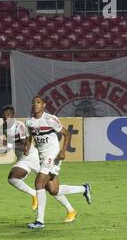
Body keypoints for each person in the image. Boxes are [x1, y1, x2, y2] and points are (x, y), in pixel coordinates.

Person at [2, 105, 91, 223]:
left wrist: (7, 145)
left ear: (14, 115)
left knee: (52, 188)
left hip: (33, 157)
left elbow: (24, 146)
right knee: (12, 178)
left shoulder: (20, 126)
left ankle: (70, 207)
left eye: (8, 115)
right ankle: (35, 195)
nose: (6, 118)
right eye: (3, 116)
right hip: (22, 160)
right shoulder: (4, 127)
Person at [24, 96, 92, 229]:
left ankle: (40, 221)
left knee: (39, 183)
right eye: (34, 102)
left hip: (53, 155)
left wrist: (63, 151)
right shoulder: (29, 121)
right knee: (53, 190)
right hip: (42, 157)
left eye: (38, 102)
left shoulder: (50, 119)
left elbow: (67, 134)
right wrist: (27, 146)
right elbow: (29, 137)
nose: (35, 104)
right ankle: (84, 189)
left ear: (44, 105)